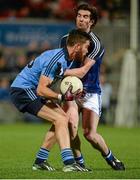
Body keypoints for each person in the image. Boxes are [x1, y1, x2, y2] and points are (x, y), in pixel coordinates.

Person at [36, 3, 125, 171]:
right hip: (71, 90)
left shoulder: (96, 44)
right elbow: (60, 63)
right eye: (79, 16)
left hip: (91, 92)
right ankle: (79, 162)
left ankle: (110, 157)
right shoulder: (66, 39)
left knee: (90, 134)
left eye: (85, 17)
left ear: (92, 21)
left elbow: (83, 71)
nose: (81, 19)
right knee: (70, 125)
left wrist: (62, 71)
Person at [9, 29, 92, 172]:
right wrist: (61, 97)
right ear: (77, 46)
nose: (86, 51)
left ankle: (40, 161)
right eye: (86, 47)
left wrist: (71, 93)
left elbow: (49, 85)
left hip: (32, 90)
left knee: (62, 119)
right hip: (23, 90)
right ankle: (69, 163)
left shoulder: (65, 60)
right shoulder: (58, 59)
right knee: (60, 119)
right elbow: (41, 89)